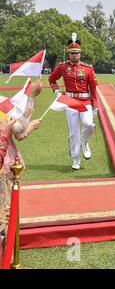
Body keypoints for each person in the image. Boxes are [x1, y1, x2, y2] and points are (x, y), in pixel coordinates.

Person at [0, 78, 42, 250]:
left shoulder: (3, 102)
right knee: (5, 211)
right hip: (3, 166)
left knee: (8, 208)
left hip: (7, 164)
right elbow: (16, 128)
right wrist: (31, 97)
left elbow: (17, 133)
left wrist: (29, 128)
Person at [48, 33, 98, 170]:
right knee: (73, 131)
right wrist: (57, 91)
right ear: (68, 54)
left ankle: (85, 142)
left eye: (77, 53)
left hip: (85, 101)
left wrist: (95, 106)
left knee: (89, 124)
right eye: (72, 53)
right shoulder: (62, 67)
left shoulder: (88, 68)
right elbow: (51, 79)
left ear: (80, 53)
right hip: (70, 102)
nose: (74, 55)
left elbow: (93, 88)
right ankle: (76, 158)